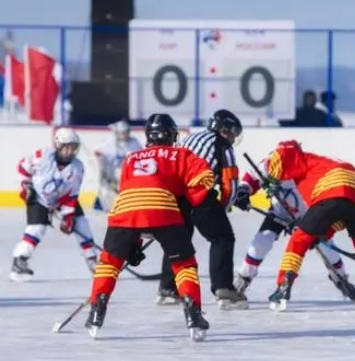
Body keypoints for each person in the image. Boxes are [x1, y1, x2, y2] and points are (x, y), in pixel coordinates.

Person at [85, 113, 219, 341]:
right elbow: (206, 177)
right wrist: (191, 199)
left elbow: (130, 193)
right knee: (184, 264)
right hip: (163, 207)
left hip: (125, 210)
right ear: (170, 135)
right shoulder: (180, 154)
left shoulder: (132, 157)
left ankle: (96, 311)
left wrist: (132, 243)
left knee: (109, 263)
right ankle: (194, 314)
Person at [252, 140, 355, 311]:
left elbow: (283, 154)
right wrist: (321, 235)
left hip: (332, 192)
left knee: (299, 239)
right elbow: (336, 216)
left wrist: (310, 234)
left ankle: (283, 288)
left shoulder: (297, 163)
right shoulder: (319, 161)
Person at [155, 109, 247, 310]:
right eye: (232, 133)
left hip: (174, 195)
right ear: (223, 130)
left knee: (178, 239)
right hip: (198, 195)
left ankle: (168, 288)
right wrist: (226, 205)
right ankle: (224, 290)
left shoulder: (191, 138)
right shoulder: (222, 146)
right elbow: (229, 185)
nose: (233, 138)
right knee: (222, 237)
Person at [232, 159, 355, 299]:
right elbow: (251, 177)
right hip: (279, 211)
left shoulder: (310, 172)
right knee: (262, 239)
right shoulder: (272, 163)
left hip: (308, 214)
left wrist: (308, 226)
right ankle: (244, 277)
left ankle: (341, 279)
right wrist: (243, 190)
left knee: (326, 245)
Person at [9, 128, 99, 282]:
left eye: (74, 147)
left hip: (62, 199)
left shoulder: (77, 167)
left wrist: (68, 217)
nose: (70, 151)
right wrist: (26, 186)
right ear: (58, 145)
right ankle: (19, 260)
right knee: (36, 229)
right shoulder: (41, 156)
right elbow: (22, 167)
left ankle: (92, 260)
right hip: (39, 198)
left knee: (81, 223)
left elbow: (72, 195)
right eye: (67, 147)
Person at [93, 120, 142, 211]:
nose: (124, 135)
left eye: (126, 132)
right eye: (121, 133)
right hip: (112, 180)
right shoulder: (110, 143)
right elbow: (100, 154)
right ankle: (101, 203)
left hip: (129, 179)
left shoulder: (134, 143)